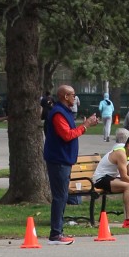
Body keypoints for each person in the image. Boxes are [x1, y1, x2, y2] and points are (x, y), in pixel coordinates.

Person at [43, 83, 100, 244]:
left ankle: (58, 232)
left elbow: (71, 133)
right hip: (58, 160)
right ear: (65, 96)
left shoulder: (65, 112)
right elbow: (67, 135)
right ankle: (55, 234)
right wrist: (85, 125)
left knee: (62, 196)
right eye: (73, 95)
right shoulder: (58, 113)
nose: (75, 97)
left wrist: (85, 126)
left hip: (64, 160)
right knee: (60, 197)